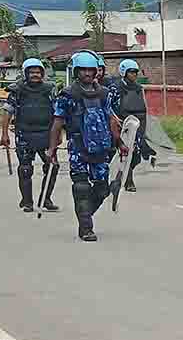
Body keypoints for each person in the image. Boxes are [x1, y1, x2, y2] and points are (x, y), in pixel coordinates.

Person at [48, 51, 126, 242]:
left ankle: (85, 214)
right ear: (76, 71)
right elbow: (58, 122)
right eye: (83, 70)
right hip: (78, 148)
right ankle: (86, 228)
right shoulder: (67, 95)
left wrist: (120, 142)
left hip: (102, 148)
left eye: (91, 70)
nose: (87, 73)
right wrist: (52, 148)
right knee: (81, 188)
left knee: (101, 189)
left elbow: (111, 119)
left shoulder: (104, 94)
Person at [0, 58, 59, 213]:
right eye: (32, 72)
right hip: (24, 134)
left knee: (53, 167)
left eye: (38, 72)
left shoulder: (50, 89)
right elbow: (7, 112)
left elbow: (58, 113)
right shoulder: (17, 90)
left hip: (46, 134)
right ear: (26, 73)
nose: (35, 75)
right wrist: (4, 134)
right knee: (25, 169)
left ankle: (45, 198)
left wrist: (59, 134)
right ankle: (27, 201)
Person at [108, 59, 156, 192]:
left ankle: (124, 173)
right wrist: (116, 121)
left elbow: (144, 106)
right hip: (122, 124)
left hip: (138, 123)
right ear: (124, 72)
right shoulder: (115, 88)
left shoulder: (139, 89)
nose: (134, 74)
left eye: (136, 72)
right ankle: (128, 180)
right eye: (131, 72)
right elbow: (109, 107)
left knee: (136, 156)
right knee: (125, 152)